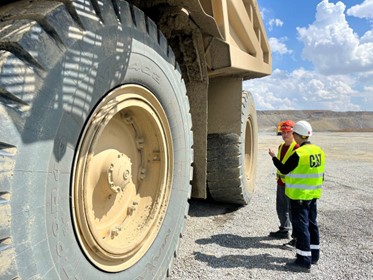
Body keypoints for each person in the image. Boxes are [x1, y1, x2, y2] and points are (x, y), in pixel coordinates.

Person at [268, 120, 325, 272]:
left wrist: (273, 157)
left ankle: (303, 260)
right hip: (313, 194)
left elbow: (284, 169)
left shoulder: (299, 153)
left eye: (292, 133)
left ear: (297, 135)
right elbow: (321, 174)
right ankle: (314, 255)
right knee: (312, 224)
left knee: (301, 227)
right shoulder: (318, 150)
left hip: (300, 196)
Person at [268, 120, 299, 245]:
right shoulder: (281, 146)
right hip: (281, 182)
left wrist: (273, 157)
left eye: (288, 132)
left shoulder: (296, 148)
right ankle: (284, 229)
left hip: (291, 184)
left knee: (292, 210)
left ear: (293, 133)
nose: (285, 135)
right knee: (281, 208)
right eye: (283, 132)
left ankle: (296, 237)